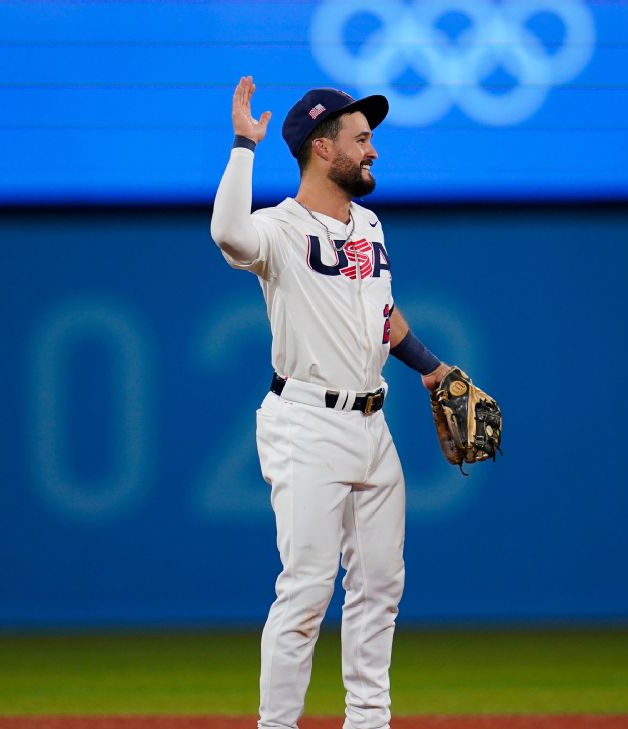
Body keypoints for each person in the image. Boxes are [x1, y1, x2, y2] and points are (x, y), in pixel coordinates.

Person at [210, 77, 454, 729]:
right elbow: (229, 234)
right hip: (306, 421)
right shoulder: (280, 230)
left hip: (373, 423)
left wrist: (430, 368)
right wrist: (243, 145)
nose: (373, 151)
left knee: (379, 587)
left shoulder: (368, 224)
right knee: (309, 588)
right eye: (362, 139)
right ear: (323, 149)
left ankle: (369, 721)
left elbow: (382, 314)